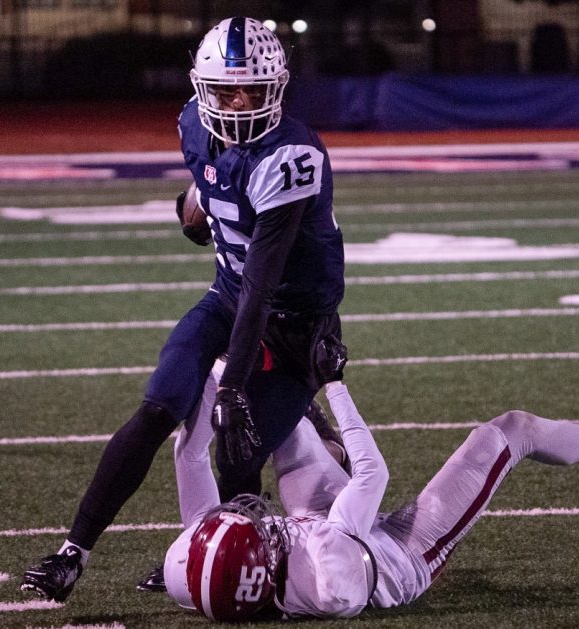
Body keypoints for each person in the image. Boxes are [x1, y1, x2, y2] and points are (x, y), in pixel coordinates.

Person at [21, 16, 345, 603]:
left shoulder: (292, 156)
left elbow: (264, 286)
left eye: (254, 87)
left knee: (236, 446)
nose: (241, 100)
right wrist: (191, 208)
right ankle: (72, 554)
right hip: (227, 295)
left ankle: (215, 558)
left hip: (294, 325)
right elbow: (205, 198)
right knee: (157, 408)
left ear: (276, 87)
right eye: (227, 89)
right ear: (203, 89)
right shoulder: (195, 126)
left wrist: (231, 389)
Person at [163, 375, 579, 620]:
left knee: (265, 401)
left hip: (323, 528)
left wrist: (220, 374)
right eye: (257, 529)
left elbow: (186, 456)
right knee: (510, 431)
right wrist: (334, 386)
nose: (256, 516)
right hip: (400, 554)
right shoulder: (330, 571)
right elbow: (372, 473)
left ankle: (312, 427)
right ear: (262, 557)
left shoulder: (192, 571)